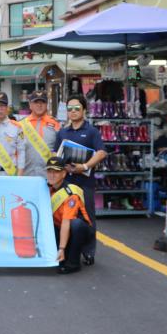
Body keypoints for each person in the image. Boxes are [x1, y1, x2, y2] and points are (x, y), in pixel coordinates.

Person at [53, 93, 107, 264]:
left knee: (87, 217)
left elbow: (101, 152)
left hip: (84, 183)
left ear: (84, 110)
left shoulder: (91, 132)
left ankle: (89, 252)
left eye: (77, 108)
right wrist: (61, 165)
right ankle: (66, 249)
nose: (73, 111)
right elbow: (55, 153)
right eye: (70, 109)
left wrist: (84, 167)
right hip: (64, 183)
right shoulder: (62, 132)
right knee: (63, 217)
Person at [45, 156, 93, 275]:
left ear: (63, 173)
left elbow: (67, 222)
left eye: (56, 172)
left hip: (76, 231)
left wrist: (61, 249)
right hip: (59, 228)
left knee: (76, 224)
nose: (52, 175)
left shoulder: (70, 194)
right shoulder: (47, 188)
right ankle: (62, 255)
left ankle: (73, 263)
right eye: (49, 171)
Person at [21, 90, 60, 177]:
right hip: (26, 174)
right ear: (30, 105)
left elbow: (60, 148)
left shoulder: (55, 124)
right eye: (36, 102)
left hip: (49, 176)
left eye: (42, 102)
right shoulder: (21, 125)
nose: (39, 105)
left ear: (47, 105)